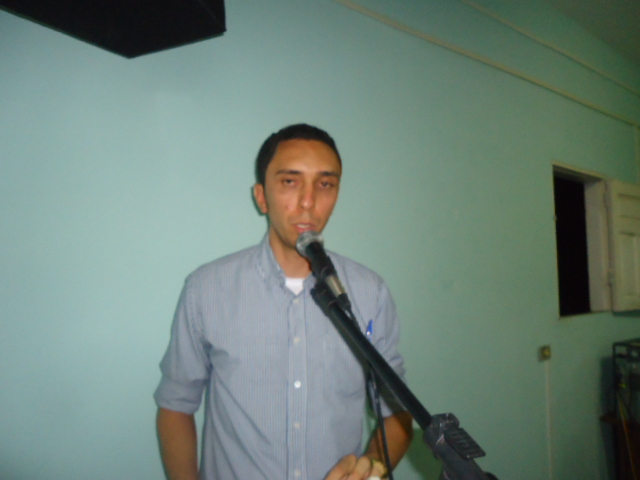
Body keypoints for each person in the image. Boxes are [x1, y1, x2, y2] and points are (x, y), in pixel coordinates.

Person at [154, 124, 413, 480]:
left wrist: (372, 470)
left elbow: (398, 411)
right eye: (290, 181)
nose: (308, 201)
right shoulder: (206, 289)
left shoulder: (370, 294)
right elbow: (175, 405)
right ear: (261, 197)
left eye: (325, 184)